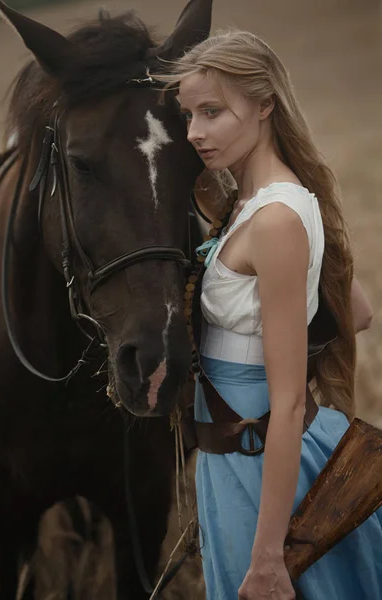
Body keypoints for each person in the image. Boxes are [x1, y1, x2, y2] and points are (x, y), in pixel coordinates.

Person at [161, 30, 381, 599]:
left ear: (264, 105)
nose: (195, 133)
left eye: (212, 112)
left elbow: (284, 403)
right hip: (238, 451)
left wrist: (267, 558)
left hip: (256, 463)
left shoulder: (276, 219)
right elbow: (355, 312)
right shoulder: (264, 201)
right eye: (189, 115)